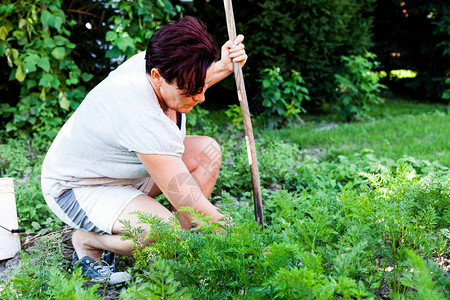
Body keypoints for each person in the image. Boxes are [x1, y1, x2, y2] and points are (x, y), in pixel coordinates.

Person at [40, 16, 247, 284]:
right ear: (157, 78)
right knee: (161, 230)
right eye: (190, 92)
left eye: (203, 84)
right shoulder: (138, 113)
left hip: (125, 171)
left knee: (206, 152)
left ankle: (175, 250)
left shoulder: (164, 61)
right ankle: (89, 242)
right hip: (79, 188)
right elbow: (193, 204)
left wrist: (223, 66)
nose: (201, 97)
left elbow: (192, 82)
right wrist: (248, 242)